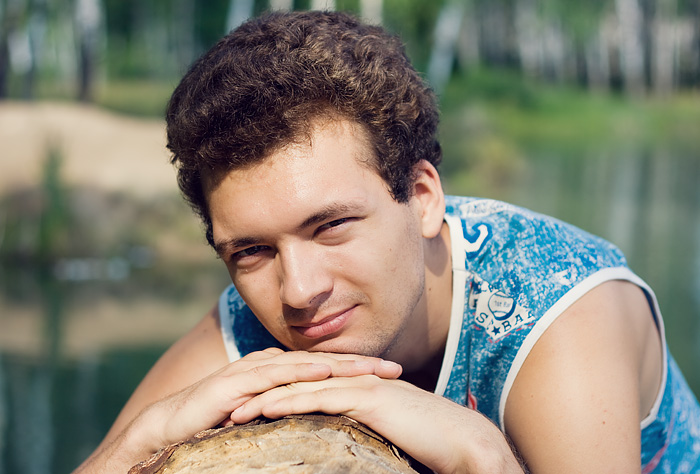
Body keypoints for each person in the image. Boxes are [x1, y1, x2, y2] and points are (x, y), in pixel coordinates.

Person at [74, 10, 700, 474]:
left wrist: (483, 456)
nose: (299, 291)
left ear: (422, 198)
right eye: (252, 251)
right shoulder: (245, 322)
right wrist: (147, 435)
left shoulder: (557, 306)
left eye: (331, 226)